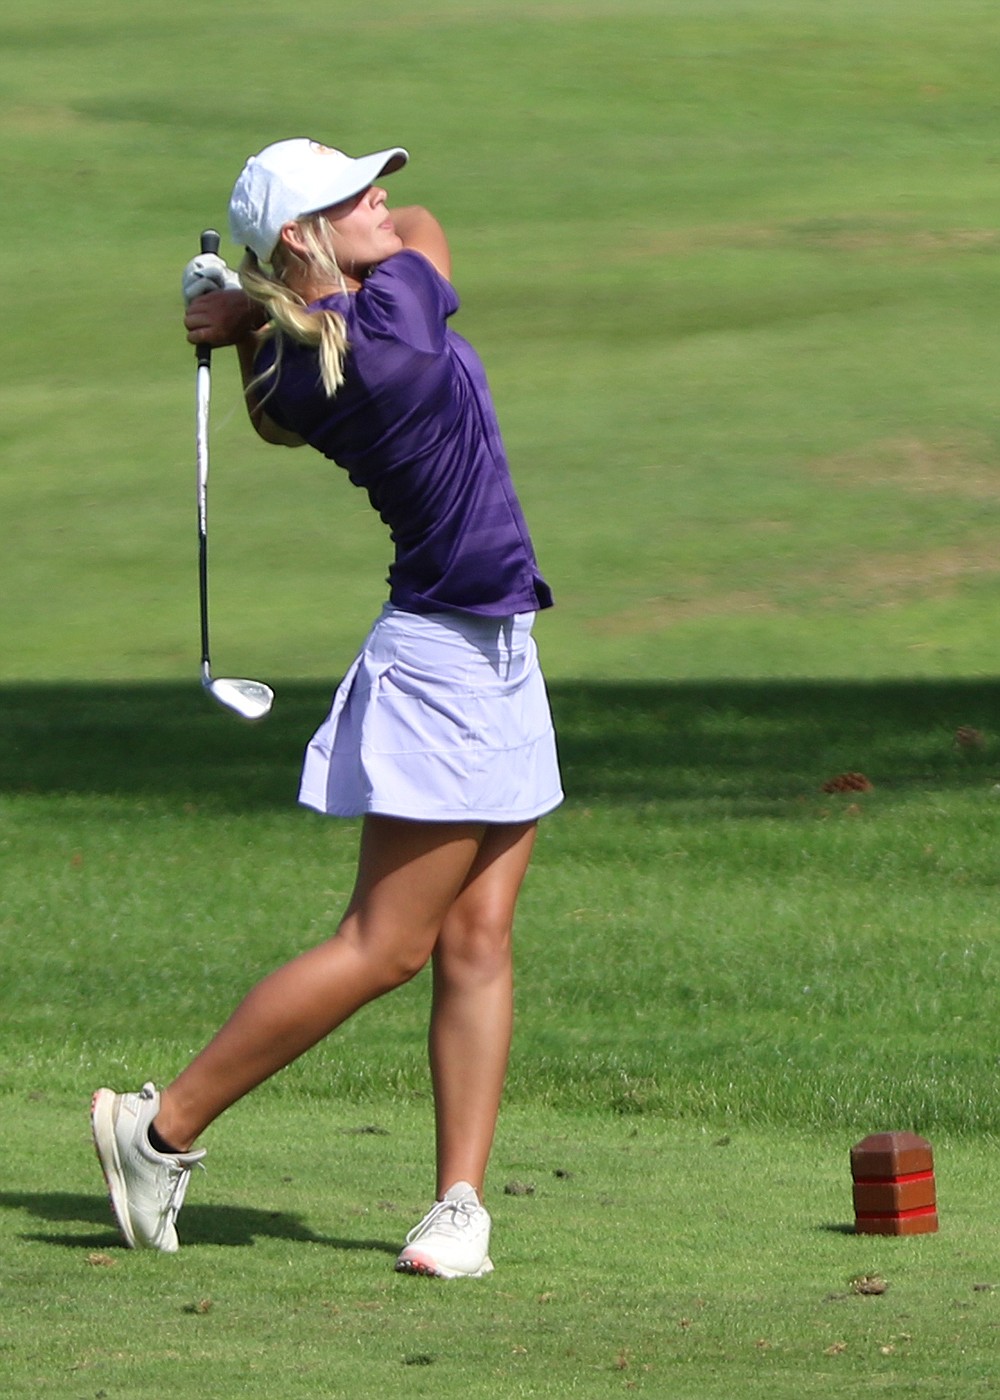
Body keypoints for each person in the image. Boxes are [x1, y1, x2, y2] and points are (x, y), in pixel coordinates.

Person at [90, 139, 562, 1280]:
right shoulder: (396, 313)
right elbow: (434, 228)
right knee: (384, 945)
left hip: (497, 648)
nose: (383, 202)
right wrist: (253, 313)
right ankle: (157, 1129)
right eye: (353, 196)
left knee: (478, 935)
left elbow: (272, 406)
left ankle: (458, 1204)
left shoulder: (299, 372)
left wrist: (250, 320)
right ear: (304, 235)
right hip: (445, 665)